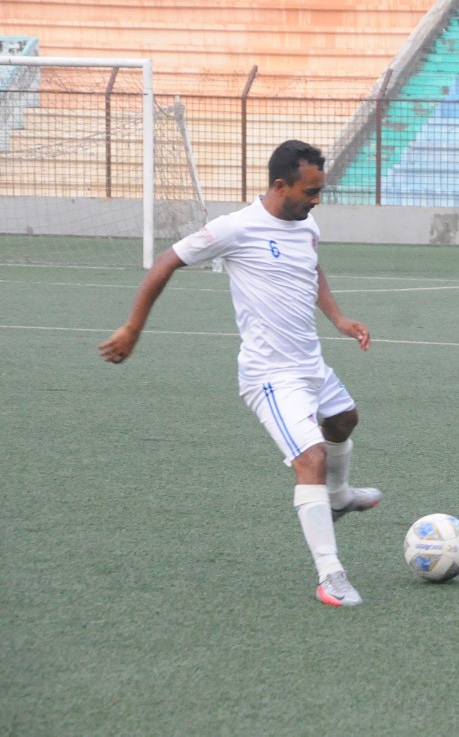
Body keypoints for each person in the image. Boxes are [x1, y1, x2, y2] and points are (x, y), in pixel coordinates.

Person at [98, 139, 381, 607]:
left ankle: (339, 495)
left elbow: (312, 269)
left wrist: (339, 319)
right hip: (270, 375)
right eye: (310, 192)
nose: (316, 201)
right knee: (309, 458)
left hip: (310, 363)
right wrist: (132, 328)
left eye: (319, 192)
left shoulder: (305, 224)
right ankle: (330, 575)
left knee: (344, 420)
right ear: (279, 185)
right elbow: (167, 262)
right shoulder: (237, 228)